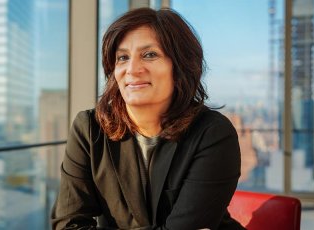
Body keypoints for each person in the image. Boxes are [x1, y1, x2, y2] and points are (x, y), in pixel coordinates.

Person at [51, 7, 245, 230]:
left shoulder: (212, 133)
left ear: (180, 66)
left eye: (149, 54)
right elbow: (67, 224)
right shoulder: (89, 129)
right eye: (122, 57)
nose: (132, 69)